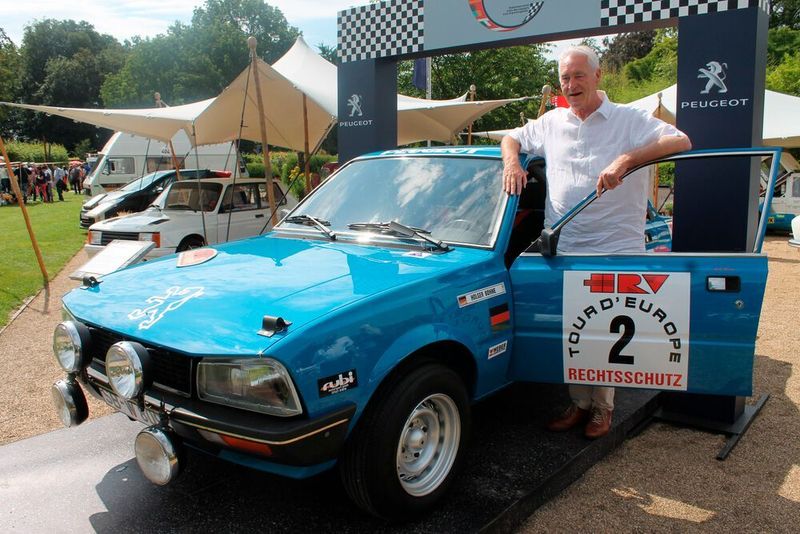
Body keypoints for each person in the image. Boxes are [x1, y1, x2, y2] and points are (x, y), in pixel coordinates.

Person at [501, 45, 691, 439]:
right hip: (565, 247)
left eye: (578, 76)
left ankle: (602, 409)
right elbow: (510, 138)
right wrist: (511, 163)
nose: (571, 85)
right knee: (576, 330)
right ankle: (580, 403)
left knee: (608, 330)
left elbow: (681, 142)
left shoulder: (628, 119)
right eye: (565, 78)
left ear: (598, 76)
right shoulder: (551, 122)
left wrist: (627, 160)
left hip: (615, 249)